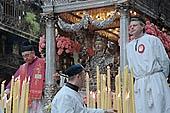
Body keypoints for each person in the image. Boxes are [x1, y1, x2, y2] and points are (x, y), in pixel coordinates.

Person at [127, 16, 170, 113]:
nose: (132, 28)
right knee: (142, 108)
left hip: (155, 79)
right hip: (139, 82)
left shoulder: (153, 40)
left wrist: (161, 78)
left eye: (135, 25)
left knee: (159, 106)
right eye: (130, 26)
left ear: (142, 27)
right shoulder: (129, 46)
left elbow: (164, 60)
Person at [5, 41, 45, 113]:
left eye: (27, 55)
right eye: (23, 56)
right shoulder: (23, 67)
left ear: (33, 53)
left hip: (37, 99)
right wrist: (6, 91)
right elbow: (14, 79)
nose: (25, 58)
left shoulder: (42, 64)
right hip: (24, 98)